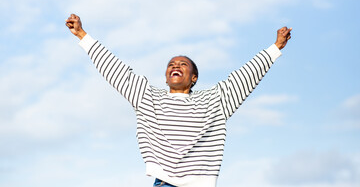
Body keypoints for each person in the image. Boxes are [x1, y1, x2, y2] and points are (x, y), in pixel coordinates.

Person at [65, 14, 292, 187]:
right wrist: (83, 35)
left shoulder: (215, 101)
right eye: (171, 64)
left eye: (183, 64)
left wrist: (276, 48)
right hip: (165, 183)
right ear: (166, 77)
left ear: (193, 78)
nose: (175, 65)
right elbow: (116, 70)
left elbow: (245, 76)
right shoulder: (147, 97)